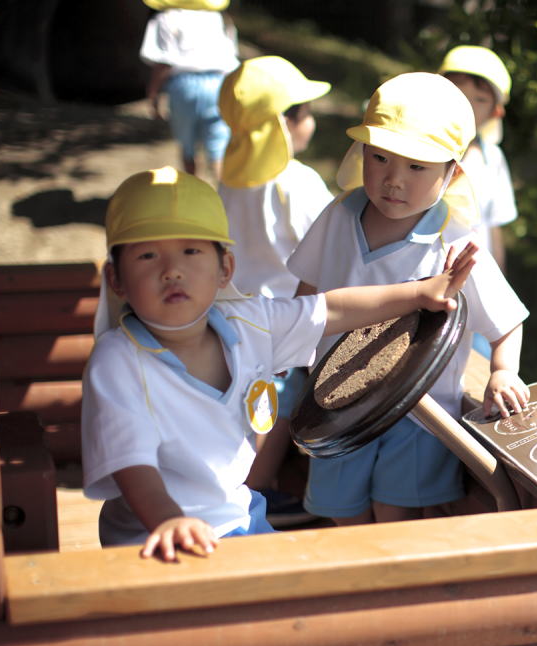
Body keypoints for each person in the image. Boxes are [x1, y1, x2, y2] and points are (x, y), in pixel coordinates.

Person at [81, 166, 478, 561]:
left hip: (238, 517)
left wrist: (419, 293)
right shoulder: (119, 360)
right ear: (116, 279)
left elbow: (331, 309)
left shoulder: (250, 323)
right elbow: (132, 463)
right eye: (147, 255)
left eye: (191, 251)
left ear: (225, 269)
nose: (172, 271)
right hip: (154, 537)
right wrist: (167, 520)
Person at [286, 72, 530, 526]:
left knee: (396, 510)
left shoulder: (453, 239)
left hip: (421, 414)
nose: (393, 180)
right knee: (342, 511)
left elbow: (507, 317)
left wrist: (502, 371)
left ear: (452, 172)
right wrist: (287, 350)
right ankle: (357, 580)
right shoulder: (339, 215)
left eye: (417, 167)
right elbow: (307, 291)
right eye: (379, 158)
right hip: (336, 403)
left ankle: (389, 583)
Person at [216, 56, 334, 511]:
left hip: (232, 311)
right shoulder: (296, 182)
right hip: (284, 317)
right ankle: (255, 491)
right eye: (303, 111)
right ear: (281, 125)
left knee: (250, 403)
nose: (312, 119)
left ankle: (246, 485)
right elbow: (329, 242)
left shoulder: (229, 176)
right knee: (276, 406)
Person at [138, 0, 239, 181]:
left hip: (183, 87)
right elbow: (231, 56)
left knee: (187, 147)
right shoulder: (220, 18)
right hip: (218, 84)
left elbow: (163, 63)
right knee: (218, 149)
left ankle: (194, 193)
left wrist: (153, 94)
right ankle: (225, 199)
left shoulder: (166, 18)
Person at [438, 45, 517, 272]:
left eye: (480, 99)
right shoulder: (419, 148)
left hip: (474, 272)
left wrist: (498, 279)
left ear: (496, 112)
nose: (467, 105)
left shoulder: (492, 159)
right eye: (457, 93)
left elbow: (494, 226)